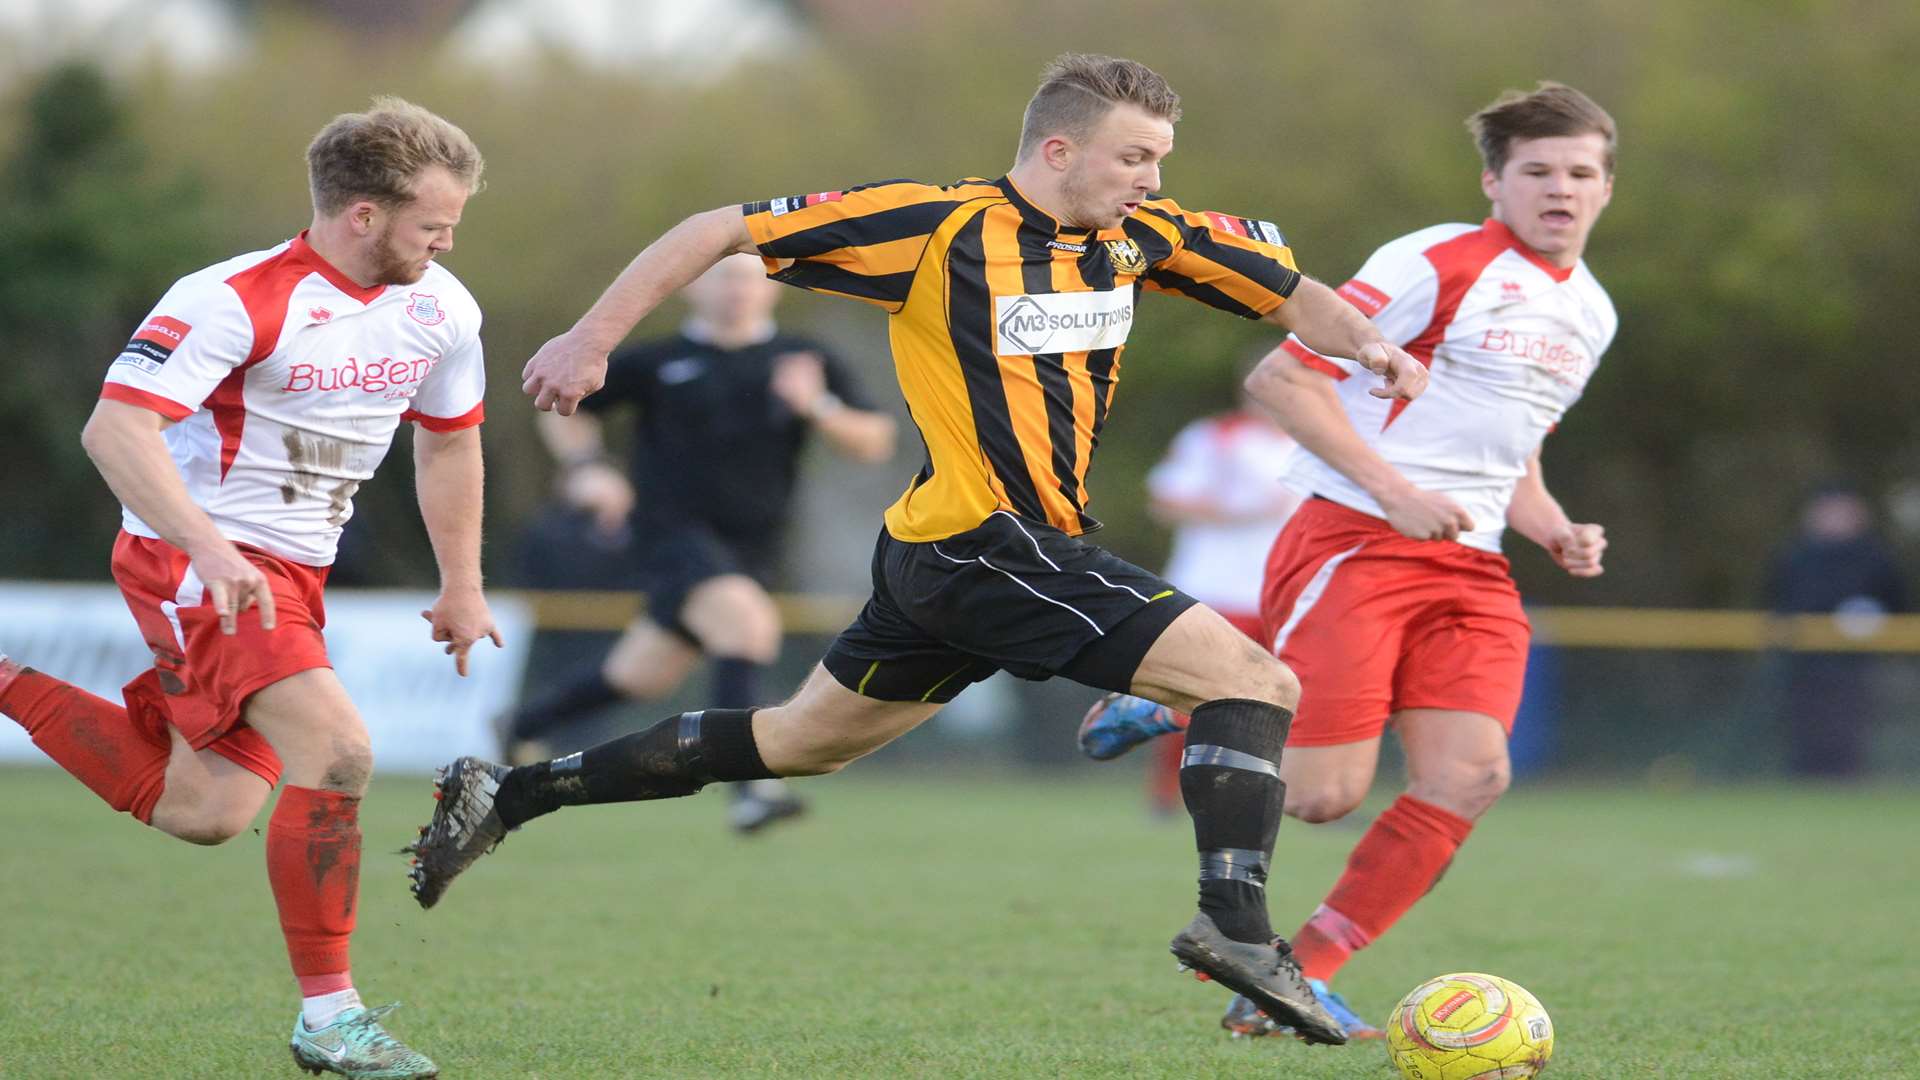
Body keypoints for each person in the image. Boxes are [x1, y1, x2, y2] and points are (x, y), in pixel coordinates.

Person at [406, 53, 1429, 1045]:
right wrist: (592, 338)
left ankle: (515, 791)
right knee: (1255, 682)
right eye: (1133, 159)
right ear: (1060, 149)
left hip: (958, 554)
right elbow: (720, 227)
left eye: (1160, 159)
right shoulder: (937, 227)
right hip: (989, 544)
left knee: (799, 742)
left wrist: (1371, 345)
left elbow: (1291, 292)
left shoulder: (1143, 236)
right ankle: (1237, 930)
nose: (1152, 180)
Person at [1086, 81, 1618, 1039]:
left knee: (1471, 777)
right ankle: (1190, 703)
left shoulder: (1591, 311)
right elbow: (1283, 378)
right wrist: (1394, 491)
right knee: (1326, 796)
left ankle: (1298, 980)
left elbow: (1514, 448)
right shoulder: (1436, 261)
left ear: (1606, 188)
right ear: (1494, 180)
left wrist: (1553, 526)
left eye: (1581, 172)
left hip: (1473, 565)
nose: (1561, 189)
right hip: (1355, 542)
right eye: (1538, 171)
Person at [0, 98, 494, 1079]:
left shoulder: (444, 306)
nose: (447, 239)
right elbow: (115, 430)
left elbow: (450, 444)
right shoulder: (230, 297)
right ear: (364, 216)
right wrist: (211, 552)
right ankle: (331, 1019)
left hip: (295, 576)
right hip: (200, 564)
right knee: (340, 748)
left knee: (207, 809)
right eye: (433, 222)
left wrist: (463, 583)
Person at [501, 251, 897, 832]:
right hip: (669, 536)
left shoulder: (802, 361)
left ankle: (520, 724)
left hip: (754, 547)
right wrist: (589, 465)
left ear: (771, 290)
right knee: (747, 625)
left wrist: (818, 406)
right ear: (690, 288)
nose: (737, 290)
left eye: (749, 279)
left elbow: (875, 443)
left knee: (642, 675)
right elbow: (562, 406)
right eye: (723, 278)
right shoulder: (659, 360)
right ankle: (750, 790)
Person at [1076, 381, 1303, 819]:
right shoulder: (1214, 437)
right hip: (1216, 586)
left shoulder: (1312, 442)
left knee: (1288, 697)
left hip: (1286, 591)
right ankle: (1165, 796)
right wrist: (1241, 513)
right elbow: (1166, 502)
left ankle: (1295, 795)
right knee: (1198, 695)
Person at [1767, 483, 1910, 777]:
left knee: (1849, 731)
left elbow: (1899, 606)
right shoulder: (1796, 556)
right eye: (1828, 511)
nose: (1834, 519)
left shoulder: (1876, 558)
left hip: (1857, 664)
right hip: (1804, 662)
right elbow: (1775, 601)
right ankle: (1803, 783)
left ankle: (1848, 783)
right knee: (1806, 728)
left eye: (1842, 512)